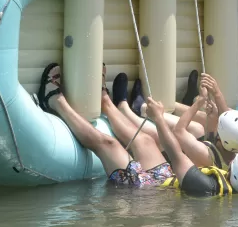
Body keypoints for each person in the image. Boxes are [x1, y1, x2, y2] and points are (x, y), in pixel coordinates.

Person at [37, 63, 174, 188]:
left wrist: (159, 119)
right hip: (167, 180)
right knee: (146, 140)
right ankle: (105, 101)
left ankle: (55, 102)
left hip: (149, 194)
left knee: (110, 144)